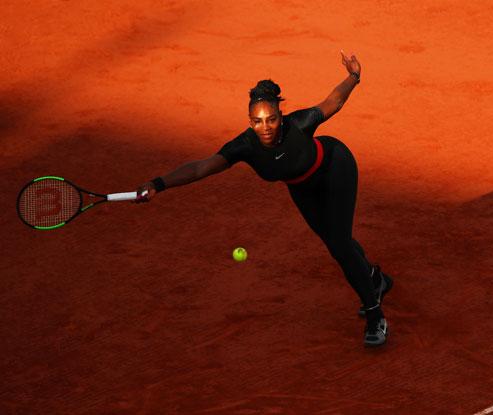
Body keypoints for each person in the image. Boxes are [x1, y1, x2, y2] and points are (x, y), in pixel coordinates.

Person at [135, 51, 393, 347]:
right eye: (258, 122)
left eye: (271, 119)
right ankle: (374, 279)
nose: (266, 127)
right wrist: (158, 184)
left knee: (339, 244)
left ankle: (375, 316)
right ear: (249, 121)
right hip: (302, 188)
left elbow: (333, 102)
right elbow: (200, 167)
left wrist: (354, 76)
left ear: (280, 116)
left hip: (335, 167)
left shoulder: (299, 123)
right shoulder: (244, 146)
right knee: (336, 240)